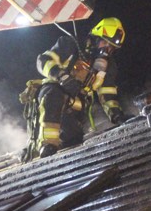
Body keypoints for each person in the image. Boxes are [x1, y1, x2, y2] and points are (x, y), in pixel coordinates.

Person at [20, 17, 128, 161]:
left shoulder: (108, 66)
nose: (106, 51)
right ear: (95, 38)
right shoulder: (69, 45)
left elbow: (107, 92)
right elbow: (43, 61)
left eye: (111, 48)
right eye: (104, 43)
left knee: (73, 140)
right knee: (53, 93)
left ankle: (57, 153)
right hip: (51, 96)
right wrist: (62, 76)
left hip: (75, 107)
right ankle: (47, 145)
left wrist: (117, 115)